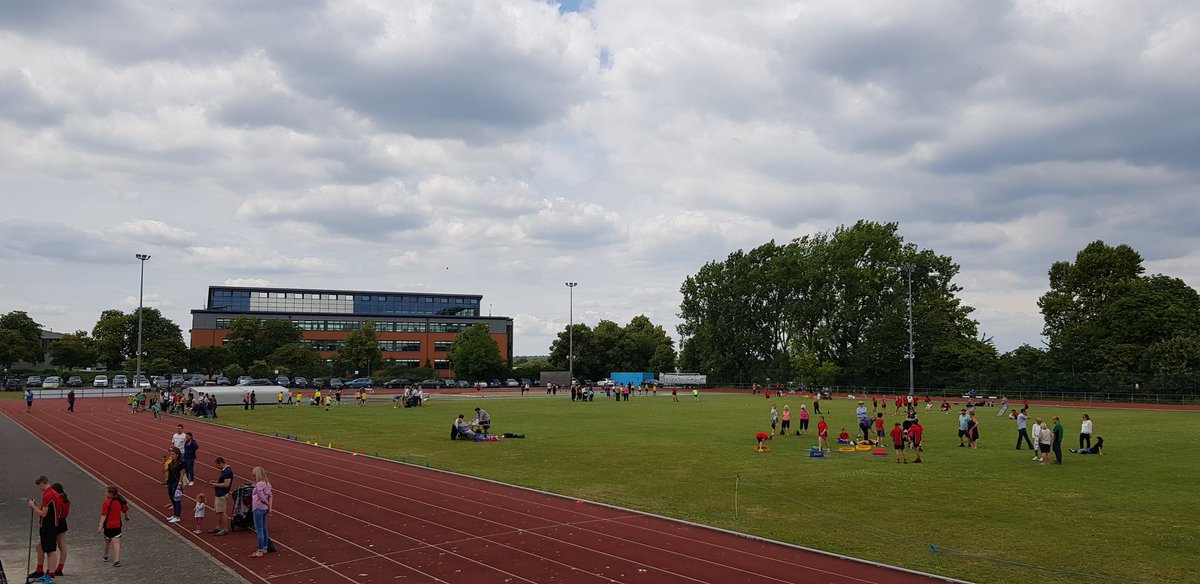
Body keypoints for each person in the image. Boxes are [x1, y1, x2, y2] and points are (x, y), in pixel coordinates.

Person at [28, 475, 62, 583]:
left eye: (39, 486)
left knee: (50, 551)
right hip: (50, 525)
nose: (39, 489)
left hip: (48, 526)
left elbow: (43, 513)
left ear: (42, 483)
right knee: (40, 547)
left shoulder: (48, 494)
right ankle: (41, 571)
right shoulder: (53, 493)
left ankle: (50, 576)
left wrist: (33, 506)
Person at [99, 485, 129, 567]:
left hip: (108, 526)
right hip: (117, 525)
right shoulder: (120, 501)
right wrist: (126, 517)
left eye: (106, 492)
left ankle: (105, 555)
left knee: (107, 541)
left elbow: (103, 515)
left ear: (111, 494)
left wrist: (100, 525)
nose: (105, 493)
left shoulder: (106, 503)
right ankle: (117, 560)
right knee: (116, 542)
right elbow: (125, 510)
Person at [249, 467, 272, 558]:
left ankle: (260, 550)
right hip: (265, 508)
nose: (253, 476)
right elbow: (270, 495)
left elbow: (261, 496)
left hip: (258, 508)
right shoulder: (267, 483)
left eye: (254, 475)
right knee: (264, 528)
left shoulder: (258, 484)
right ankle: (265, 547)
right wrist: (269, 506)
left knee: (259, 530)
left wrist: (265, 502)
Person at [209, 456, 233, 536]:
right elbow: (222, 481)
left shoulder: (227, 472)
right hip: (219, 493)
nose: (217, 467)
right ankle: (218, 527)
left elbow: (226, 484)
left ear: (221, 463)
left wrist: (215, 484)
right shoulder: (224, 471)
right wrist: (216, 481)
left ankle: (225, 529)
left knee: (222, 512)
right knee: (218, 511)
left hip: (222, 494)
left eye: (217, 465)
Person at [50, 483, 70, 577]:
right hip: (63, 522)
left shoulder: (57, 500)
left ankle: (50, 569)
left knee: (49, 547)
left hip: (55, 522)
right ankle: (60, 568)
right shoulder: (66, 500)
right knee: (63, 547)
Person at [165, 446, 184, 523]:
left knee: (177, 500)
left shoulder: (181, 463)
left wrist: (179, 484)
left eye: (173, 454)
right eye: (171, 454)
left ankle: (177, 516)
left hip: (176, 483)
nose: (171, 455)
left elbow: (182, 474)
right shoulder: (171, 462)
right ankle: (174, 514)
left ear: (177, 455)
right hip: (170, 482)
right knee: (172, 498)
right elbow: (165, 470)